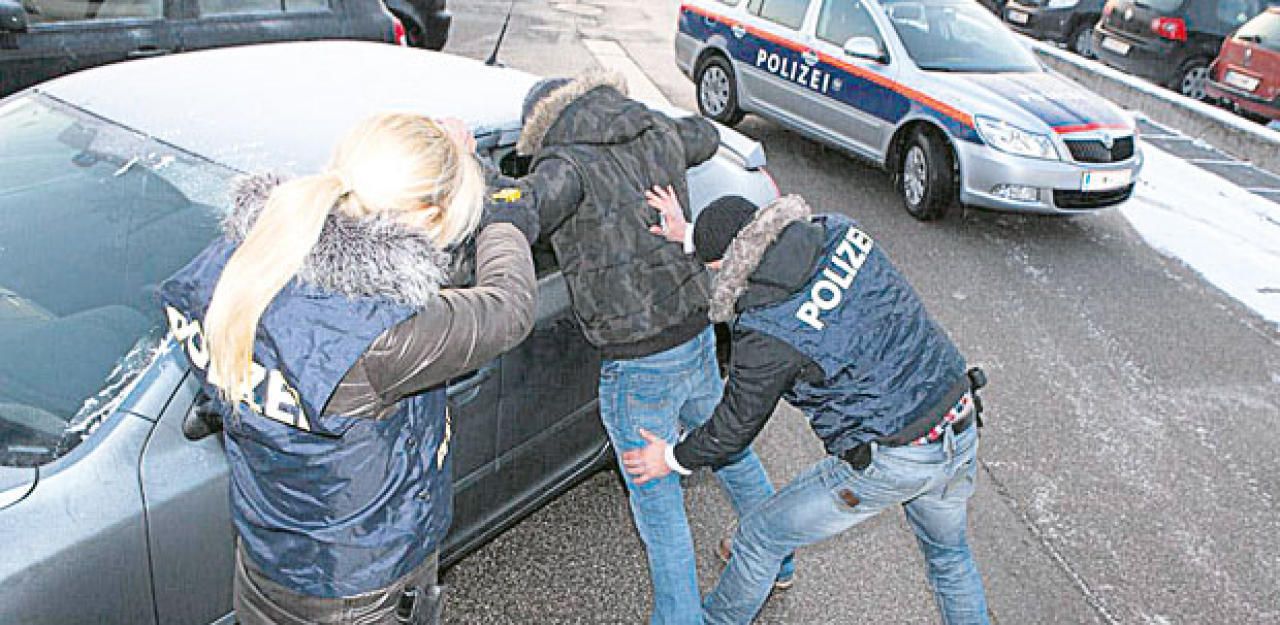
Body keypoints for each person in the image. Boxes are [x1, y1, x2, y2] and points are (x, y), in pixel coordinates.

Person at [159, 113, 539, 625]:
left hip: (264, 563)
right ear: (427, 217)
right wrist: (499, 208)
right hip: (358, 590)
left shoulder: (242, 261)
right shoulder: (383, 333)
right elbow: (509, 309)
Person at [624, 190, 991, 625]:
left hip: (894, 456)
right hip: (958, 416)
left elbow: (733, 428)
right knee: (949, 558)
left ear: (724, 265)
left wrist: (669, 458)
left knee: (759, 536)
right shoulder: (837, 230)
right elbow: (749, 250)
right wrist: (692, 236)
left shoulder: (765, 328)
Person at [514, 70, 793, 624]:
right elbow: (706, 137)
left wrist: (467, 171)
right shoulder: (655, 129)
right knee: (732, 451)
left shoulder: (564, 166)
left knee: (661, 509)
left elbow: (515, 212)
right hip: (693, 334)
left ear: (541, 127)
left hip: (638, 362)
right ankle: (778, 557)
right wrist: (657, 133)